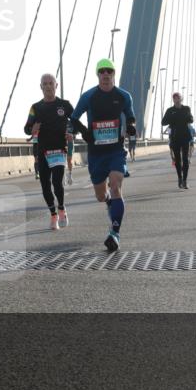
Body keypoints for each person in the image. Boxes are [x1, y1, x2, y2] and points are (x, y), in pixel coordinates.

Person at [67, 58, 135, 252]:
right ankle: (108, 202)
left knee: (116, 186)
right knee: (100, 195)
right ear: (98, 74)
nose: (106, 74)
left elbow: (130, 116)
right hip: (96, 153)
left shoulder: (124, 96)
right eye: (102, 71)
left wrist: (131, 126)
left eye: (109, 71)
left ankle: (115, 233)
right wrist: (85, 132)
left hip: (116, 151)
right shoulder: (88, 96)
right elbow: (73, 118)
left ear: (114, 74)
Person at [24, 74, 83, 230]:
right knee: (45, 186)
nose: (48, 86)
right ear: (41, 87)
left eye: (51, 83)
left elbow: (76, 123)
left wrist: (72, 133)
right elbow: (26, 128)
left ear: (56, 85)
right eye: (45, 84)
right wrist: (31, 129)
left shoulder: (65, 105)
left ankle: (61, 209)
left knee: (57, 183)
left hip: (59, 150)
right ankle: (53, 214)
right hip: (43, 151)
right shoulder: (35, 107)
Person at [161, 92, 194, 189]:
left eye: (178, 98)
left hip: (185, 137)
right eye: (175, 98)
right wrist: (171, 119)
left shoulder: (186, 108)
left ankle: (185, 181)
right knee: (177, 160)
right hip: (175, 138)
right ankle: (180, 178)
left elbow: (191, 120)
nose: (176, 99)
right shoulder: (170, 110)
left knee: (185, 159)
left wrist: (188, 118)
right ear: (173, 100)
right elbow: (163, 122)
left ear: (181, 99)